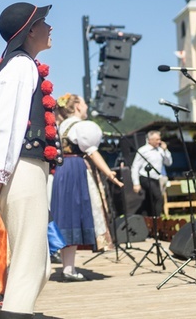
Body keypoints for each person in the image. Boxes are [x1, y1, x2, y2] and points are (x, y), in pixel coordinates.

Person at [0, 2, 58, 319]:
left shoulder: (21, 65)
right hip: (20, 169)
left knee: (37, 262)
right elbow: (2, 128)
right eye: (44, 22)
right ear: (29, 31)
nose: (50, 27)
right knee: (28, 261)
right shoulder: (21, 67)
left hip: (23, 169)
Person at [51, 93, 122, 281]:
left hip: (61, 171)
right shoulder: (81, 126)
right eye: (84, 103)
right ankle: (68, 268)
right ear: (77, 107)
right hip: (75, 170)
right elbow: (92, 151)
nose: (86, 107)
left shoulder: (61, 126)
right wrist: (109, 173)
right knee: (75, 214)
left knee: (66, 216)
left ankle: (68, 267)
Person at [131, 130, 171, 217]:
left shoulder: (160, 150)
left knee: (149, 200)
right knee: (158, 198)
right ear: (150, 140)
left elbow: (168, 163)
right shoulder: (143, 150)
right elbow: (135, 167)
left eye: (159, 139)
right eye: (156, 140)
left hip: (156, 178)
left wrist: (166, 150)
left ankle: (147, 218)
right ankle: (157, 219)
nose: (159, 141)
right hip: (145, 177)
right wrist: (136, 183)